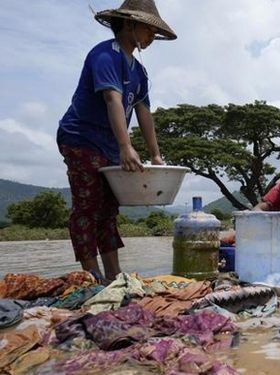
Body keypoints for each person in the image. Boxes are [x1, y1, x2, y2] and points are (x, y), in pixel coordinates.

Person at [56, 0, 177, 283]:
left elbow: (144, 113)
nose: (150, 38)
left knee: (109, 208)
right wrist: (126, 147)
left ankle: (113, 274)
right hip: (81, 138)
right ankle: (91, 275)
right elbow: (113, 99)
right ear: (130, 24)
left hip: (109, 145)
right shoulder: (104, 56)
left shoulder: (140, 73)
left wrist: (156, 155)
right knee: (88, 204)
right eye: (148, 30)